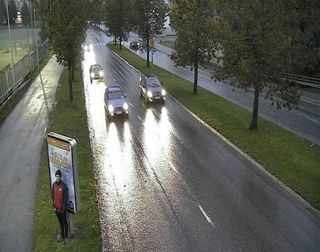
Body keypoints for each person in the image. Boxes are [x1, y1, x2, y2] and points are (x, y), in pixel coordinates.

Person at [52, 169, 69, 242]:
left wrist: (63, 207)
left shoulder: (64, 186)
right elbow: (52, 196)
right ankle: (62, 235)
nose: (57, 178)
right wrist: (54, 206)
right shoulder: (54, 184)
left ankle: (66, 236)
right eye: (56, 176)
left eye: (58, 176)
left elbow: (66, 198)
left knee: (65, 222)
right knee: (60, 223)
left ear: (60, 177)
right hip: (56, 208)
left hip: (62, 209)